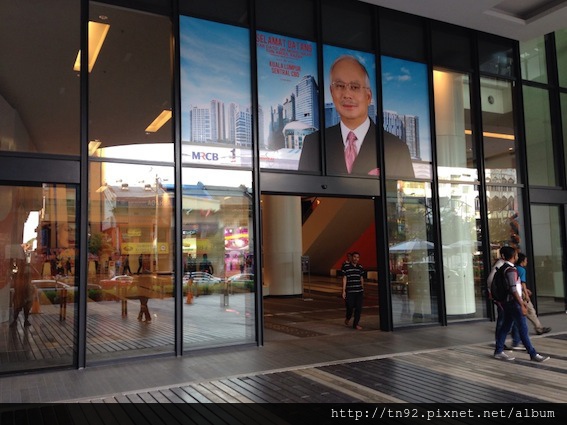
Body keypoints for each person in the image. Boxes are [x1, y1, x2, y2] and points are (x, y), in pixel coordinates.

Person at [298, 55, 414, 179]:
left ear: (368, 96)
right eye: (340, 86)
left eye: (354, 87)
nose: (347, 94)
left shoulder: (397, 149)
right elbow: (302, 195)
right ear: (331, 92)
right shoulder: (313, 144)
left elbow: (406, 196)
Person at [493, 246, 549, 362]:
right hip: (513, 303)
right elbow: (513, 289)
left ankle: (498, 351)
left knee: (505, 327)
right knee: (523, 328)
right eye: (516, 254)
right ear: (514, 256)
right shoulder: (511, 270)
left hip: (507, 302)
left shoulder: (503, 268)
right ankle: (533, 354)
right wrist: (522, 304)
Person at [514, 252, 551, 340]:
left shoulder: (514, 268)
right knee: (530, 310)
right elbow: (522, 283)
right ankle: (539, 328)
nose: (527, 261)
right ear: (522, 261)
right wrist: (526, 294)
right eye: (526, 260)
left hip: (516, 292)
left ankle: (538, 327)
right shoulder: (522, 270)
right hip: (520, 293)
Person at [342, 251, 365, 330]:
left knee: (358, 308)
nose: (356, 259)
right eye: (355, 257)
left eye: (358, 257)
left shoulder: (360, 267)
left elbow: (361, 278)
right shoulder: (346, 267)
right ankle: (348, 318)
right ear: (352, 257)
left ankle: (356, 324)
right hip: (350, 291)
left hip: (359, 291)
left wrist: (362, 288)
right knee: (350, 307)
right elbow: (345, 278)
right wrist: (344, 291)